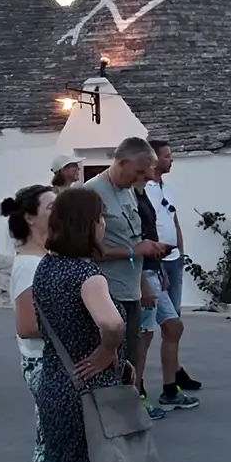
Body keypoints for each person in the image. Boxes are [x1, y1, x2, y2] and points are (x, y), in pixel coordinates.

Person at [32, 187, 133, 462]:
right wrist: (108, 352)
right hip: (92, 396)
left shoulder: (46, 269)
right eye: (100, 217)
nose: (104, 224)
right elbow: (112, 324)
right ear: (88, 224)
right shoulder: (87, 275)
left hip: (57, 389)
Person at [0, 185, 66, 462]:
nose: (58, 210)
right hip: (43, 361)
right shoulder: (30, 264)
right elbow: (27, 325)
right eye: (51, 206)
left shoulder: (43, 257)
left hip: (51, 359)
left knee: (57, 436)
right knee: (49, 440)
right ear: (30, 217)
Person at [82, 137, 167, 417]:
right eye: (139, 172)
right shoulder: (92, 193)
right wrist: (133, 250)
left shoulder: (129, 190)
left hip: (131, 289)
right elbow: (85, 249)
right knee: (110, 358)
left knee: (132, 354)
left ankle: (128, 410)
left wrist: (143, 278)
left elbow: (132, 237)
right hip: (106, 292)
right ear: (122, 162)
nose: (143, 178)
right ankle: (107, 418)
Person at [134, 180, 198, 411]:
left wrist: (162, 267)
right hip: (142, 274)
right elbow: (133, 242)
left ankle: (170, 390)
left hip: (154, 270)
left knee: (173, 326)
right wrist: (141, 283)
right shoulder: (129, 197)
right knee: (143, 336)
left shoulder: (145, 195)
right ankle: (137, 394)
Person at [145, 139, 201, 392]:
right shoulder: (143, 189)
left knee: (174, 319)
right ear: (154, 159)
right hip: (153, 261)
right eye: (167, 156)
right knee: (151, 323)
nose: (171, 160)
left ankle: (175, 370)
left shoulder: (169, 188)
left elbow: (173, 218)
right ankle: (138, 378)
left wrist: (180, 249)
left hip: (172, 259)